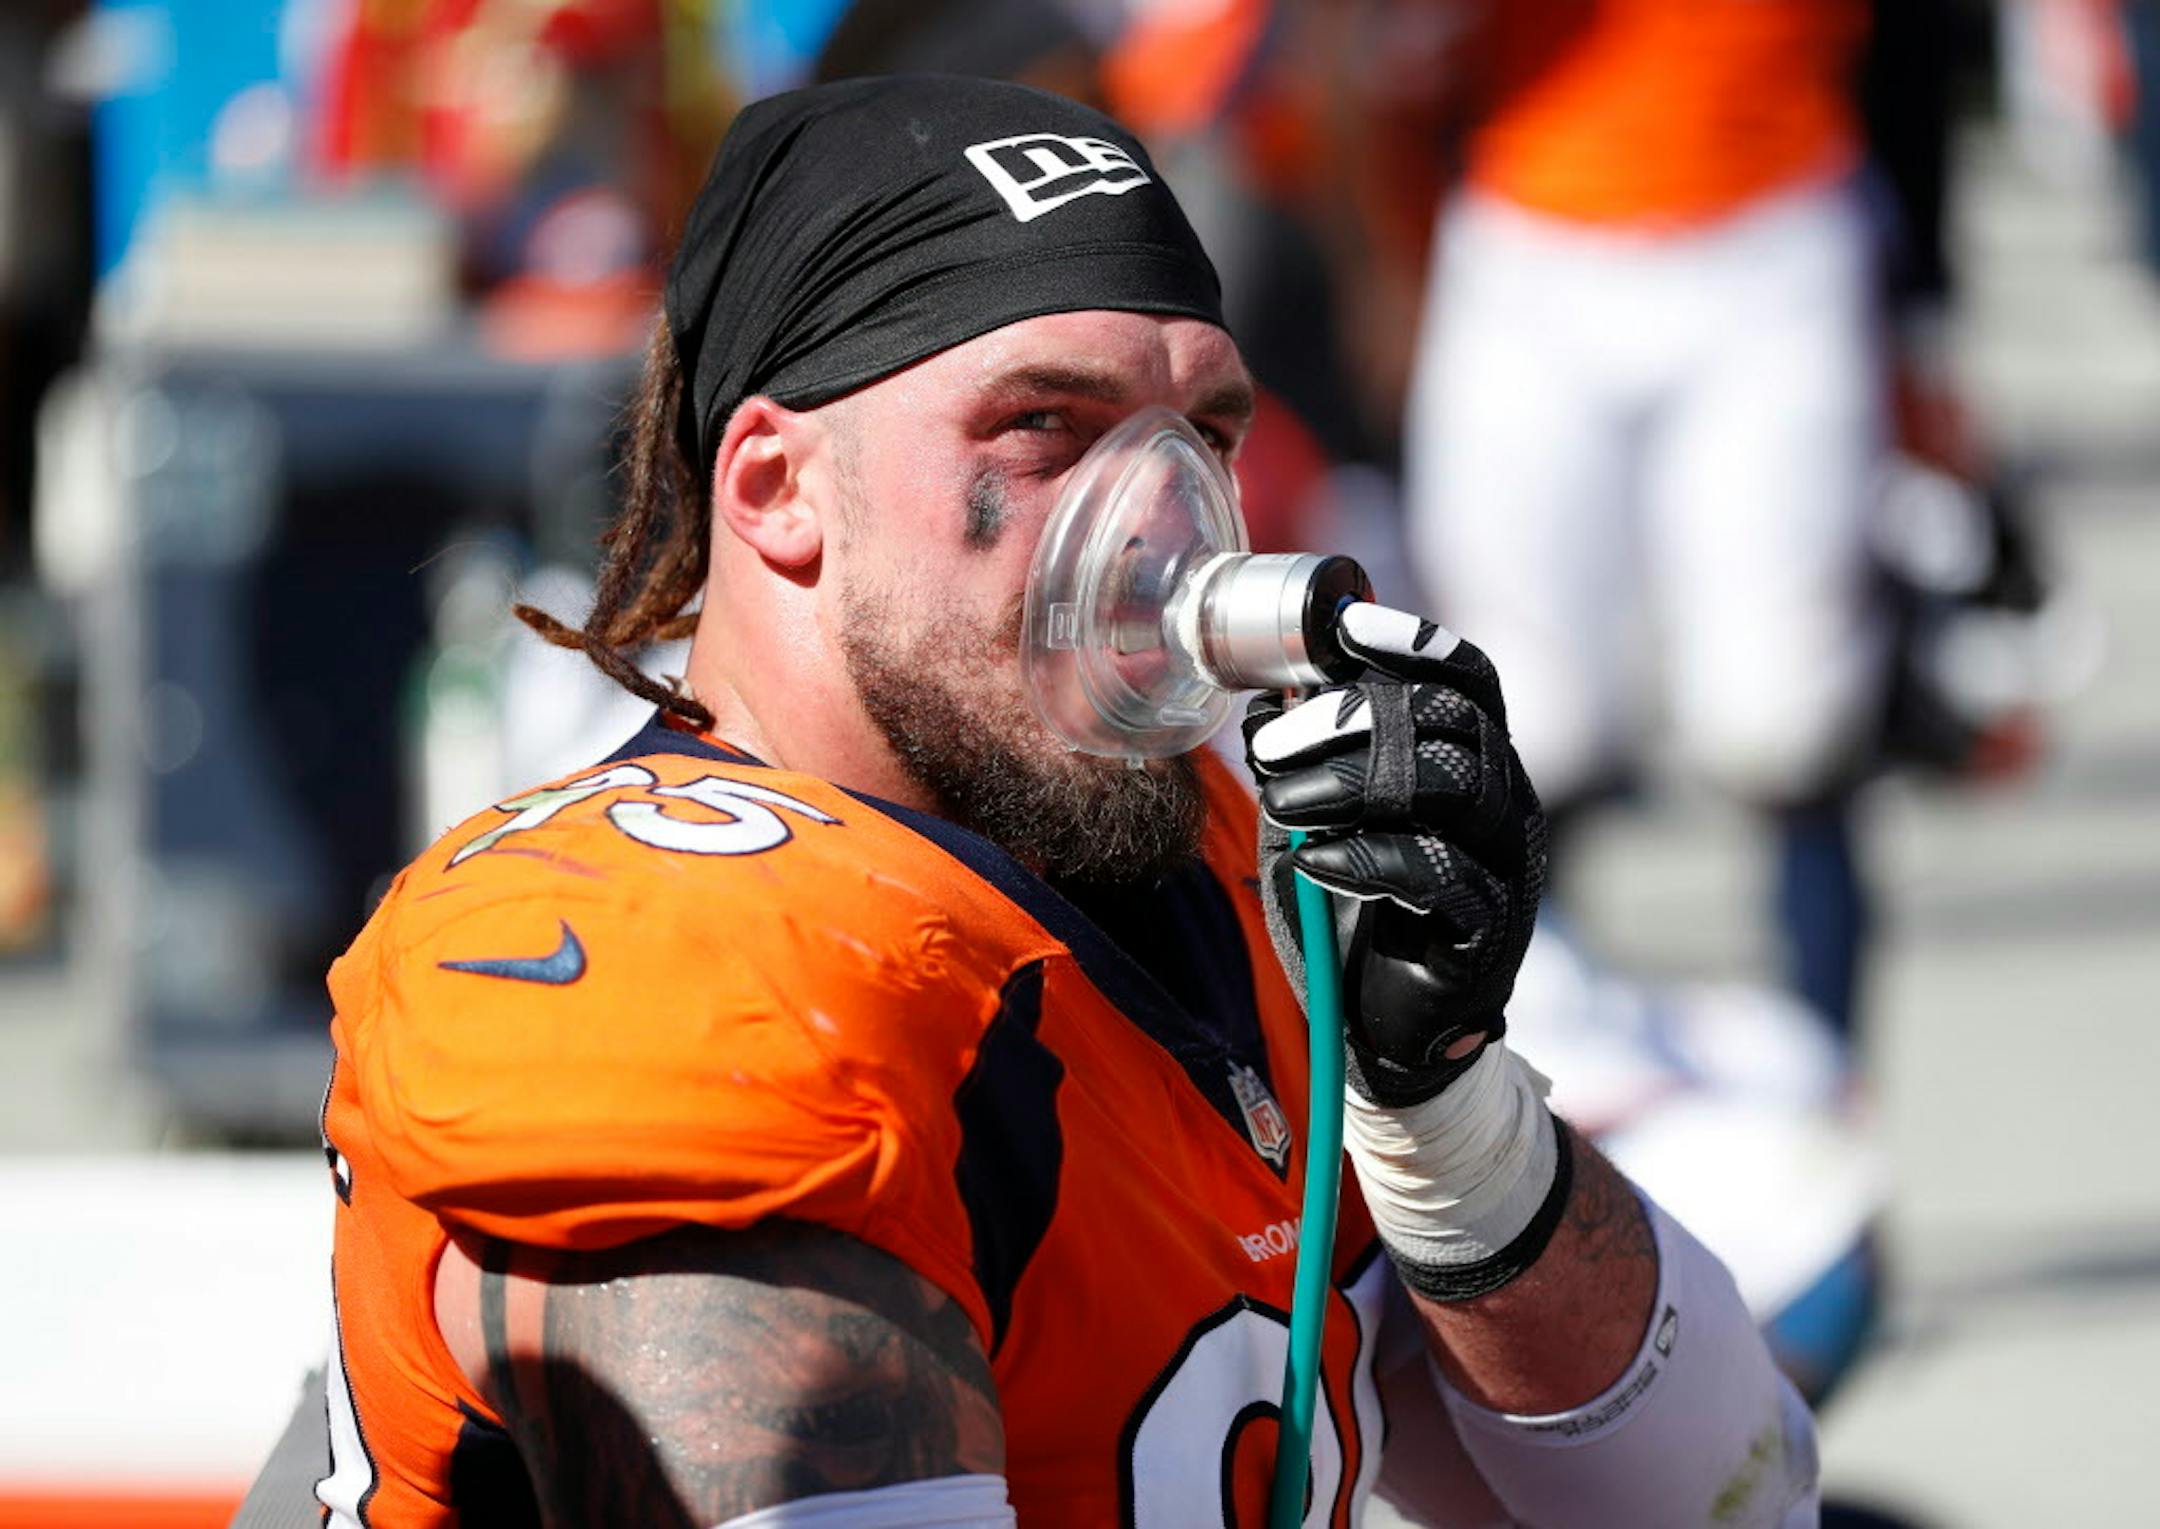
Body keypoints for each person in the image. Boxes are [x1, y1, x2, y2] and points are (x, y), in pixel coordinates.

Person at [312, 76, 1816, 1526]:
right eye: (1045, 424)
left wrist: (1446, 1112)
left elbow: (1735, 1497)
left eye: (1202, 435)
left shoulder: (1209, 877)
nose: (1164, 522)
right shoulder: (677, 959)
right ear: (777, 489)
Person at [1399, 0, 1887, 1040]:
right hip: (1528, 234)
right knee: (1524, 712)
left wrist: (1925, 308)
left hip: (1774, 223)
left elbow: (1917, 61)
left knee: (1784, 711)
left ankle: (1827, 1098)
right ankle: (1532, 1102)